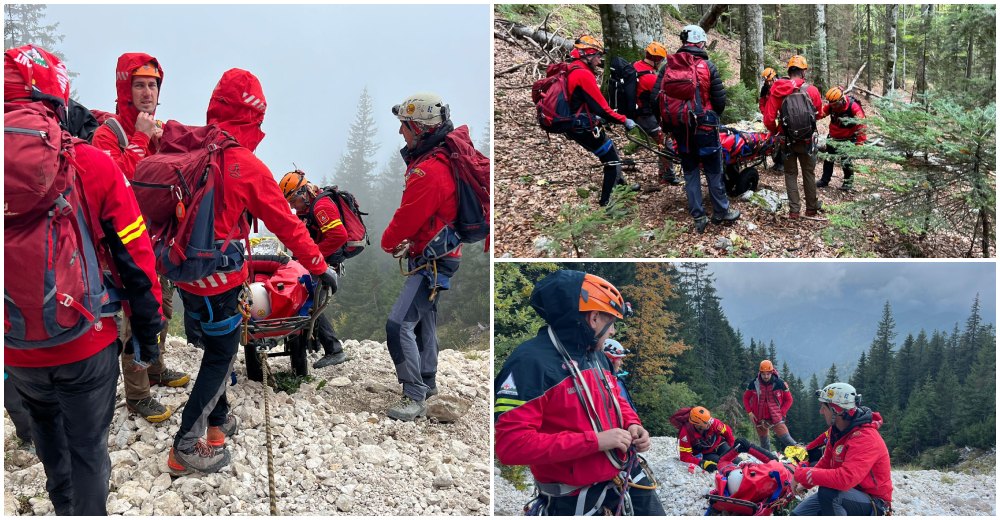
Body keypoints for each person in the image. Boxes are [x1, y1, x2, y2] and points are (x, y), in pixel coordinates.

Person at [4, 44, 164, 515]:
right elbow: (135, 257)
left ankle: (63, 506)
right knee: (89, 452)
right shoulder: (91, 163)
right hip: (85, 340)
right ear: (59, 99)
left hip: (16, 346)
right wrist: (148, 332)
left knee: (53, 453)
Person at [166, 68, 337, 474]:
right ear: (255, 117)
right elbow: (288, 225)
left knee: (213, 348)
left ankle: (219, 422)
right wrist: (318, 266)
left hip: (185, 276)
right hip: (220, 283)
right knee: (221, 358)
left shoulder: (190, 146)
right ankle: (185, 447)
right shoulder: (245, 164)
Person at [495, 271, 663, 515]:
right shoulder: (530, 364)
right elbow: (512, 446)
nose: (613, 331)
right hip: (575, 497)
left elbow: (614, 397)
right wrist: (595, 441)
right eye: (612, 321)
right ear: (594, 318)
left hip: (627, 475)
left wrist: (633, 424)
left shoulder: (595, 355)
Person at [91, 52, 189, 423]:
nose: (148, 92)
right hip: (122, 248)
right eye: (140, 85)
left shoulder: (155, 130)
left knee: (161, 307)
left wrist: (165, 145)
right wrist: (139, 140)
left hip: (155, 240)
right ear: (124, 87)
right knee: (136, 314)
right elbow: (112, 186)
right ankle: (137, 395)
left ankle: (155, 366)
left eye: (153, 85)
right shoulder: (109, 134)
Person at [382, 92, 466, 421]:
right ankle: (428, 382)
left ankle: (414, 395)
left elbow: (407, 217)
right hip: (439, 253)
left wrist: (389, 243)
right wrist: (412, 244)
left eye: (404, 126)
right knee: (424, 319)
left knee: (398, 323)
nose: (400, 132)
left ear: (419, 128)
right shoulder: (441, 161)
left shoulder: (428, 171)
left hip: (433, 258)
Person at [661, 25, 740, 233]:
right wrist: (713, 115)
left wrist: (668, 124)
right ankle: (721, 212)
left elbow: (656, 99)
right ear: (701, 43)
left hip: (681, 128)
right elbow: (719, 100)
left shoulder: (668, 67)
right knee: (714, 170)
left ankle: (698, 215)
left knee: (690, 172)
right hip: (705, 127)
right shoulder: (707, 66)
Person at [279, 170, 350, 369]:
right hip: (318, 261)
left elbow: (339, 236)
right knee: (308, 300)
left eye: (293, 200)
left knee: (309, 302)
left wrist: (312, 256)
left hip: (324, 263)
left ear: (303, 193)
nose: (292, 206)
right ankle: (317, 343)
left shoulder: (321, 207)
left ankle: (334, 350)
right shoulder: (309, 207)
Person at [791, 383, 893, 516]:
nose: (821, 411)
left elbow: (845, 479)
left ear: (836, 410)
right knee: (798, 515)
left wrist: (801, 474)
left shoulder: (866, 437)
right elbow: (826, 463)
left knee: (828, 492)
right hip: (847, 495)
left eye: (824, 407)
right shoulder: (838, 431)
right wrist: (804, 484)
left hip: (874, 502)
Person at [564, 35, 639, 206]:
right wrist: (624, 120)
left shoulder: (573, 68)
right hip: (581, 126)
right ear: (588, 55)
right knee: (611, 161)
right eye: (598, 56)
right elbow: (603, 108)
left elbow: (580, 100)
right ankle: (607, 203)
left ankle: (621, 188)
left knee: (611, 153)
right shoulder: (583, 74)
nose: (599, 61)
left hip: (577, 122)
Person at [763, 55, 824, 219]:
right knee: (808, 173)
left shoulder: (777, 91)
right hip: (807, 140)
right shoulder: (812, 90)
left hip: (786, 140)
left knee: (790, 174)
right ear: (803, 72)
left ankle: (794, 211)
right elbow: (818, 113)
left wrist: (776, 130)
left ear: (789, 71)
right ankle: (811, 208)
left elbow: (768, 118)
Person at [633, 41, 679, 186]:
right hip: (645, 116)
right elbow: (661, 98)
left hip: (638, 113)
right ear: (657, 60)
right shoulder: (650, 78)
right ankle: (667, 176)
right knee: (665, 144)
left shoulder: (636, 66)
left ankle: (665, 174)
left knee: (663, 143)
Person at [817, 87, 866, 190]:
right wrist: (813, 116)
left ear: (842, 99)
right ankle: (824, 180)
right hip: (833, 137)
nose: (834, 107)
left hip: (848, 139)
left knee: (846, 161)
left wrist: (859, 143)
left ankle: (848, 183)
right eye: (832, 105)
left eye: (835, 104)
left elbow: (862, 125)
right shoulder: (831, 105)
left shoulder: (853, 107)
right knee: (829, 159)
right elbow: (822, 113)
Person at [743, 360, 797, 451]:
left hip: (776, 417)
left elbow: (789, 400)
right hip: (759, 419)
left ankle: (803, 457)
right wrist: (750, 413)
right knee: (764, 444)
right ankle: (767, 463)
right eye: (764, 374)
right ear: (760, 373)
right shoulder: (754, 384)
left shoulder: (780, 383)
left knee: (788, 440)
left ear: (772, 372)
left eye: (768, 374)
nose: (766, 376)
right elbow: (746, 398)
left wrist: (782, 413)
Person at [677, 406, 735, 473]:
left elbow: (728, 433)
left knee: (735, 460)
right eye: (706, 422)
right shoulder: (685, 433)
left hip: (719, 445)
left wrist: (733, 449)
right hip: (706, 453)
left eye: (710, 419)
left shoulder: (714, 423)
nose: (710, 422)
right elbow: (685, 457)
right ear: (697, 424)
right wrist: (701, 463)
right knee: (721, 464)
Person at [758, 67, 785, 172]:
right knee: (774, 139)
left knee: (781, 139)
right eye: (766, 81)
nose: (768, 83)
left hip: (782, 117)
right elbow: (762, 103)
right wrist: (765, 113)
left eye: (769, 81)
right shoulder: (765, 89)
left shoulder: (782, 86)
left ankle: (781, 163)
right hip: (771, 116)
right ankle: (776, 162)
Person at [602, 339, 636, 410]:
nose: (621, 363)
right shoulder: (606, 382)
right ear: (610, 360)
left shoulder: (617, 380)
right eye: (619, 359)